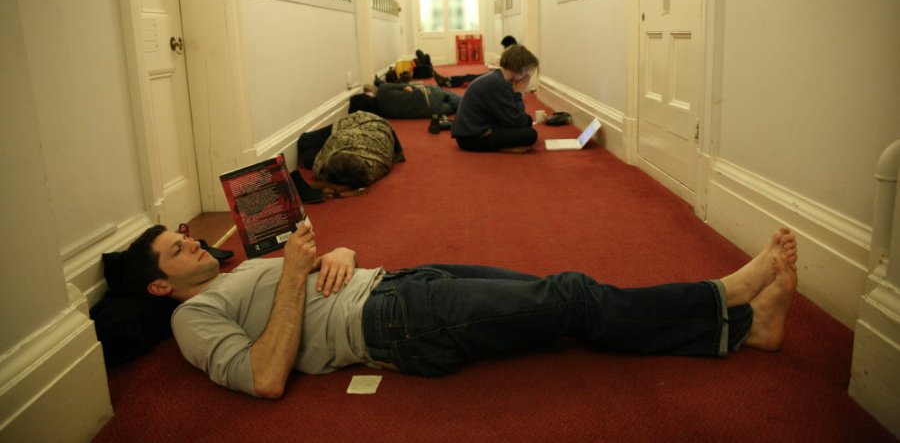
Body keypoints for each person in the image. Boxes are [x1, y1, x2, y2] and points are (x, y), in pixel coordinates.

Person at [121, 223, 799, 399]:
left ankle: (748, 331)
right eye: (177, 251)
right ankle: (726, 296)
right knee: (569, 295)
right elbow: (266, 376)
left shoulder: (236, 270)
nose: (192, 243)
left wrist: (340, 251)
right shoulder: (191, 320)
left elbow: (308, 277)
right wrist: (296, 274)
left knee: (560, 301)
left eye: (184, 236)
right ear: (159, 287)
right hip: (394, 323)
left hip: (398, 282)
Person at [450, 44, 539, 153]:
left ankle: (502, 145)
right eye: (527, 71)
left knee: (527, 123)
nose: (527, 76)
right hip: (471, 138)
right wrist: (519, 93)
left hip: (475, 130)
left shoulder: (499, 78)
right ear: (520, 69)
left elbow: (515, 117)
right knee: (530, 135)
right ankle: (503, 148)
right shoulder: (498, 84)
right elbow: (517, 121)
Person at [297, 111, 405, 191]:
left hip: (375, 129)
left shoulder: (365, 172)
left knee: (306, 152)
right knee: (305, 145)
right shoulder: (366, 174)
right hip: (368, 123)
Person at [348, 83, 461, 119]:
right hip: (428, 94)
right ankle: (466, 105)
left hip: (432, 111)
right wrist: (411, 90)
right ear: (366, 96)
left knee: (452, 107)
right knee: (447, 94)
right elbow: (407, 86)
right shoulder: (383, 89)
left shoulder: (384, 115)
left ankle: (463, 108)